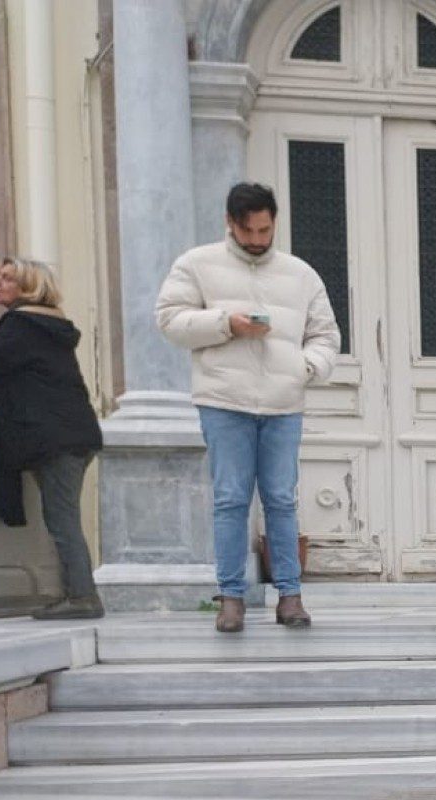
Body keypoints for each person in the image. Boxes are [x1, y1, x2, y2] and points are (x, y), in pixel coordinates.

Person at [157, 182, 340, 634]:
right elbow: (170, 320)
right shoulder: (196, 264)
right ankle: (231, 598)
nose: (257, 239)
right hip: (224, 400)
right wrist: (226, 324)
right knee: (230, 499)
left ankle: (290, 597)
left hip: (283, 402)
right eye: (248, 231)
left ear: (274, 222)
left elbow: (325, 334)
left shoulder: (300, 274)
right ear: (230, 223)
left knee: (281, 499)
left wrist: (306, 367)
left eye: (265, 229)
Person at [0, 258, 105, 619]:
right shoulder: (49, 324)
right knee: (62, 517)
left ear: (28, 287)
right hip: (72, 434)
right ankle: (75, 592)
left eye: (7, 278)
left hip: (55, 438)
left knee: (62, 520)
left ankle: (82, 596)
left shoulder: (23, 323)